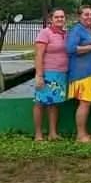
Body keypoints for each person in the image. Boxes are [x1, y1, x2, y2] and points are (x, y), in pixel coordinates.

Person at [66, 5, 91, 143]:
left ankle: (84, 134)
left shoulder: (90, 29)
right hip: (83, 72)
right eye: (86, 14)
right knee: (85, 103)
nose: (90, 17)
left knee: (87, 103)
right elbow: (70, 49)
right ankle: (81, 135)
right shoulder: (76, 30)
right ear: (79, 16)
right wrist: (90, 47)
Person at [32, 8, 68, 141]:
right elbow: (39, 55)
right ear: (51, 19)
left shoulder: (66, 33)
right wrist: (39, 75)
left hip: (61, 73)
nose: (60, 19)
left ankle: (53, 133)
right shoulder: (45, 33)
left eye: (62, 17)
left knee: (54, 103)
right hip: (47, 73)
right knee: (40, 102)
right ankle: (38, 134)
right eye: (57, 17)